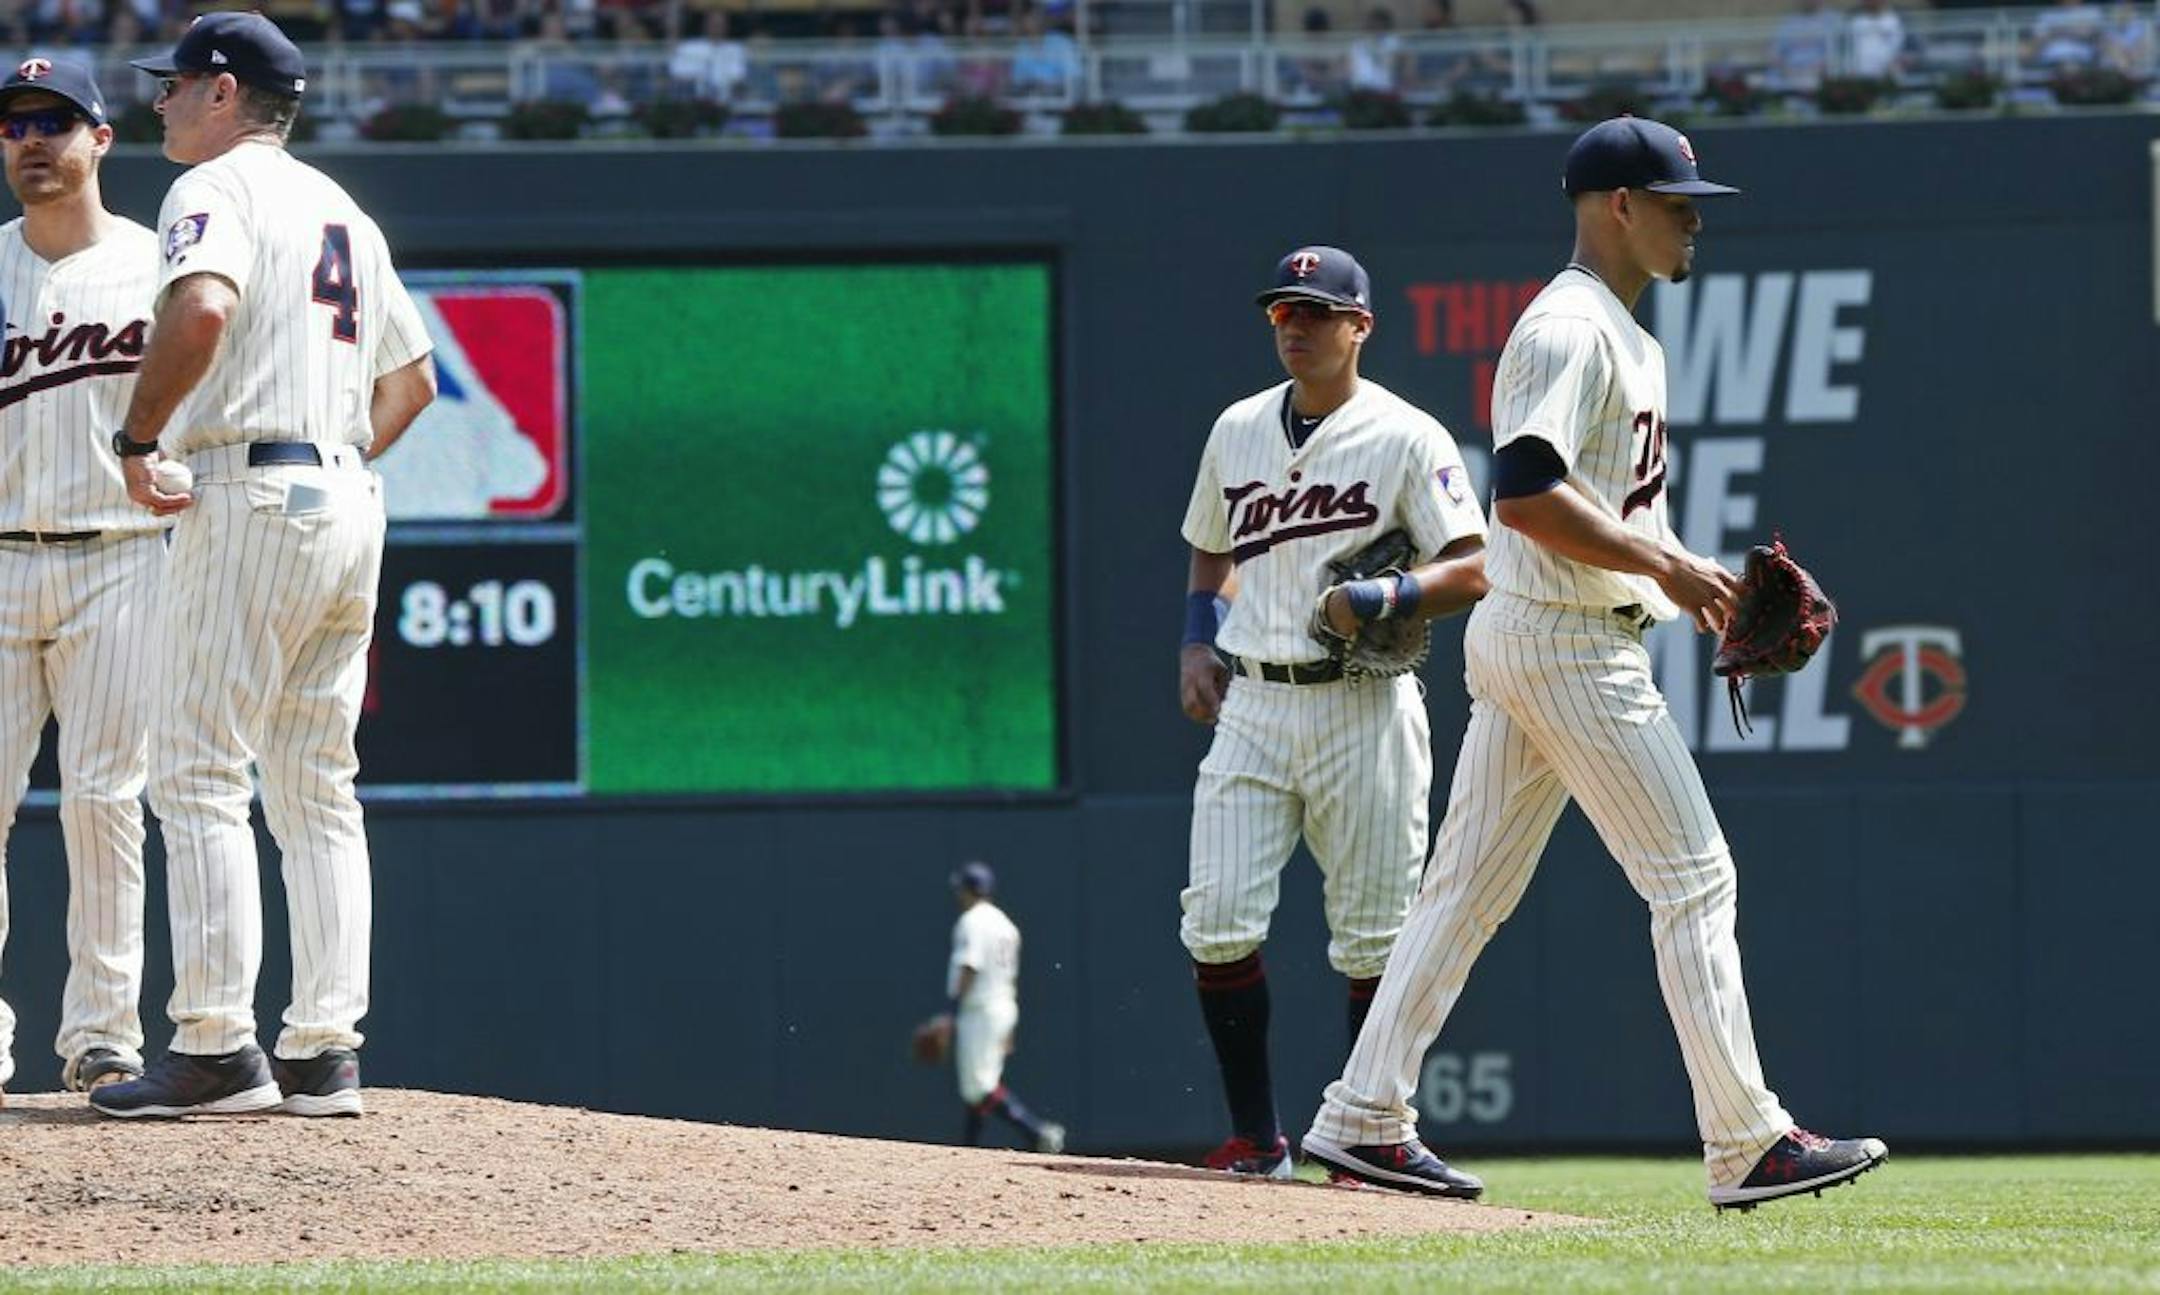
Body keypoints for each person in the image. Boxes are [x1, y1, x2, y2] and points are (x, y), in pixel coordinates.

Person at [1301, 118, 1888, 1211]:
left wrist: (1672, 564)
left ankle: (1361, 1117)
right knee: (1694, 875)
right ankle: (1747, 1141)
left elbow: (1588, 500)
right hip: (1568, 639)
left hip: (1545, 629)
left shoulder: (1629, 333)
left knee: (1464, 891)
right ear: (1618, 203)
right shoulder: (1569, 326)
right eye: (1677, 199)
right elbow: (1521, 491)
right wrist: (1664, 562)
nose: (1694, 216)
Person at [89, 11, 437, 1120]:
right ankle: (326, 1051)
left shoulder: (213, 190)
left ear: (226, 91)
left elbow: (200, 306)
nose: (160, 103)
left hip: (248, 491)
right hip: (344, 495)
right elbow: (413, 382)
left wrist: (140, 440)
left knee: (195, 769)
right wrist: (327, 460)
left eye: (178, 84)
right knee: (317, 784)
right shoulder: (346, 208)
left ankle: (211, 1044)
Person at [1178, 246, 1489, 1178]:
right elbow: (1209, 546)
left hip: (1364, 704)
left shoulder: (1407, 434)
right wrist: (1197, 640)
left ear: (1361, 326)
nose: (1297, 327)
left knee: (1375, 933)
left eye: (1316, 312)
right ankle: (1258, 1139)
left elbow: (1474, 565)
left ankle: (1372, 1129)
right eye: (1283, 312)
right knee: (1218, 917)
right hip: (1256, 700)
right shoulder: (1236, 428)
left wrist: (1388, 597)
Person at [0, 57, 162, 1105]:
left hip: (121, 556)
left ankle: (105, 1035)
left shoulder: (159, 267)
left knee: (106, 802)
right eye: (15, 124)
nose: (33, 140)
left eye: (57, 120)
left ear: (102, 137)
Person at [938, 862, 1065, 1153]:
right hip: (1003, 1007)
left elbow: (969, 968)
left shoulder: (972, 921)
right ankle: (970, 1148)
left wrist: (950, 1014)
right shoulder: (1006, 924)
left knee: (978, 1087)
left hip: (980, 1010)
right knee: (981, 1084)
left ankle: (1036, 1131)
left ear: (969, 890)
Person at [1846, 0, 1907, 81]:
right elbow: (1848, 52)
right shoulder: (1854, 23)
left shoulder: (1896, 21)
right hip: (1859, 78)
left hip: (1890, 76)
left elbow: (1903, 49)